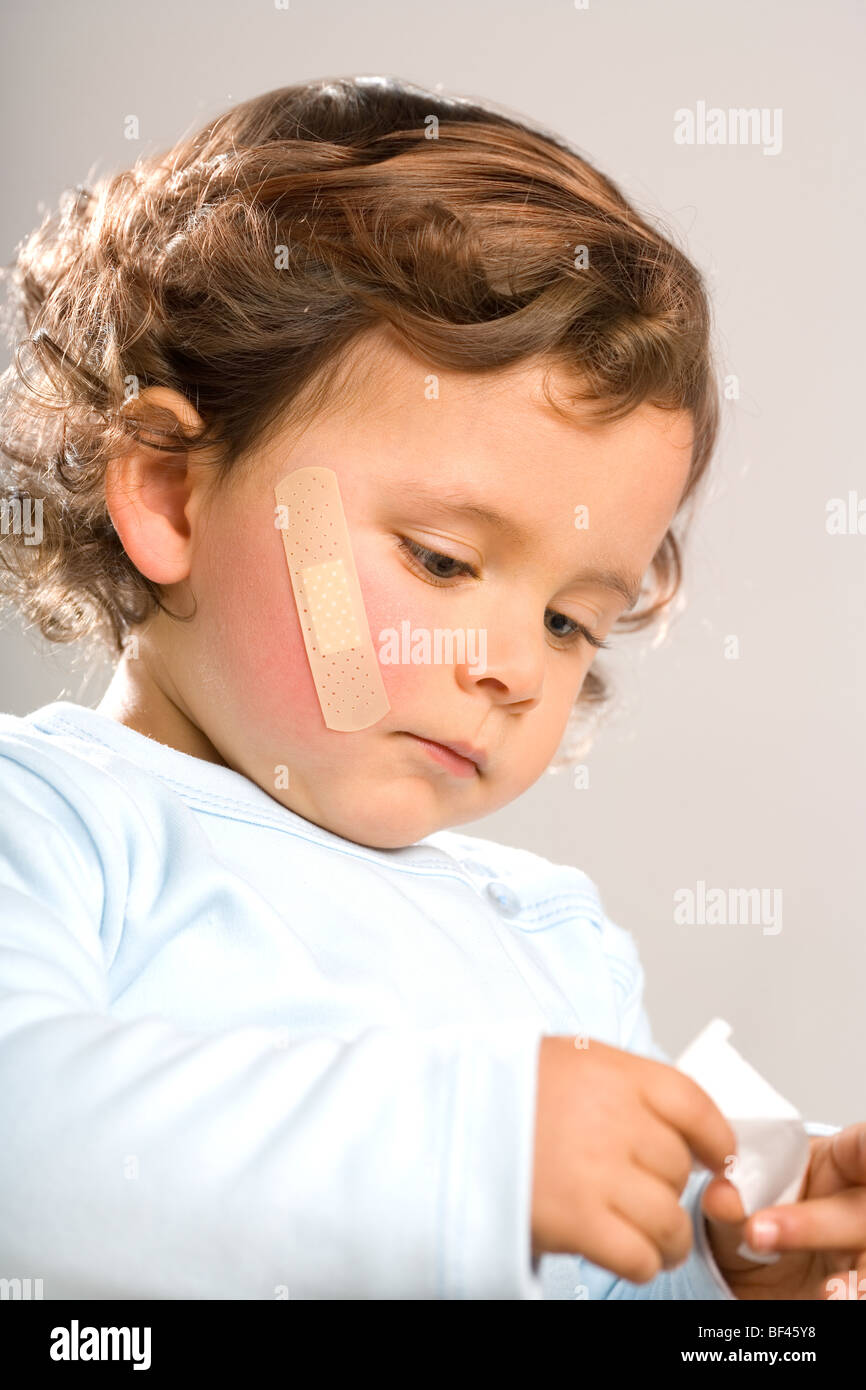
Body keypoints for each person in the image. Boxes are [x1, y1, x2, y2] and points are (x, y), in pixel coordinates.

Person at [0, 75, 857, 1300]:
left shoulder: (551, 939)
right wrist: (468, 1151)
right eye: (443, 560)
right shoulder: (54, 825)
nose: (512, 667)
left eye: (570, 621)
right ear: (170, 492)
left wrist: (742, 1270)